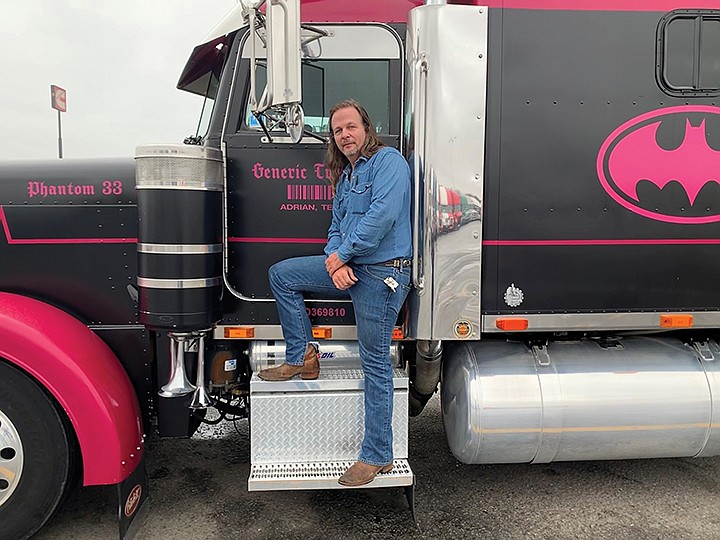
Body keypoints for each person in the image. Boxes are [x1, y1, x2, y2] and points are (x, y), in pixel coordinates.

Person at [258, 99, 412, 487]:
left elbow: (382, 216)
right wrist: (335, 260)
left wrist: (342, 256)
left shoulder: (389, 162)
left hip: (383, 274)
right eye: (337, 130)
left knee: (374, 361)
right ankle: (302, 358)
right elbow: (336, 228)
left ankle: (377, 454)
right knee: (282, 275)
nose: (344, 134)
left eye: (351, 127)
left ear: (366, 127)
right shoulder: (345, 177)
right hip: (351, 266)